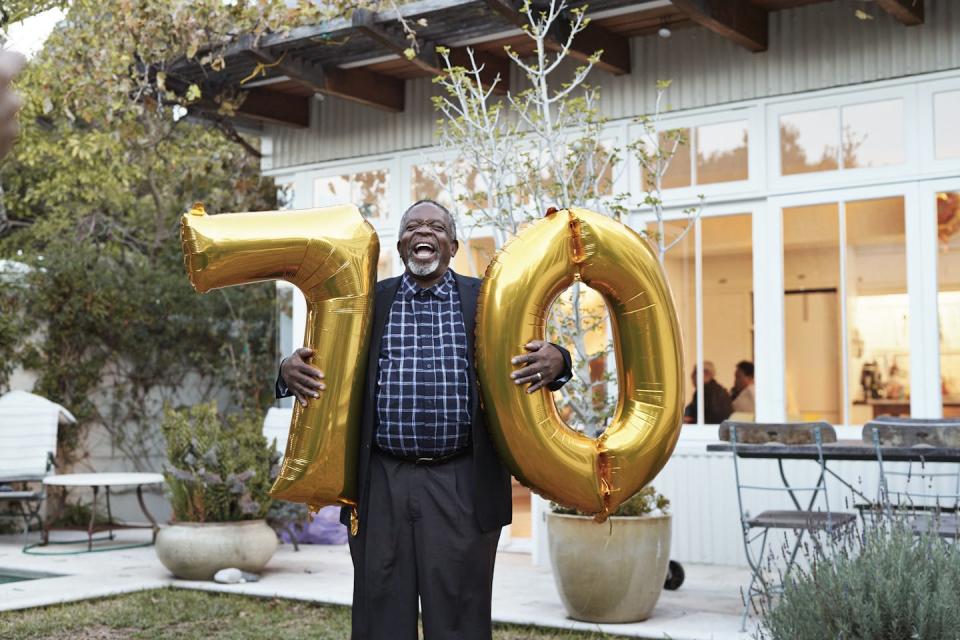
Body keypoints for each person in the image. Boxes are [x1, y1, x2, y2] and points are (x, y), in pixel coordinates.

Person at [276, 199, 572, 640]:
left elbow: (535, 355)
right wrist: (286, 370)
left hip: (462, 483)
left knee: (460, 617)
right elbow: (318, 361)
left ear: (452, 245)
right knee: (381, 612)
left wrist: (559, 358)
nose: (424, 233)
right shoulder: (366, 304)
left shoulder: (488, 300)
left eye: (436, 227)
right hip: (381, 482)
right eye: (413, 226)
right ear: (400, 245)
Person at [682, 360, 733, 425]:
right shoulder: (718, 389)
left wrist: (690, 420)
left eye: (695, 372)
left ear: (706, 373)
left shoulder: (704, 391)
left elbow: (710, 418)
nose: (692, 375)